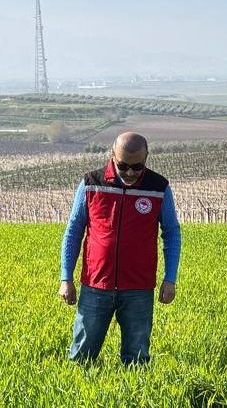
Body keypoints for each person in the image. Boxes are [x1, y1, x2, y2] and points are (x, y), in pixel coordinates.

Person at [60, 132, 181, 365]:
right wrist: (66, 278)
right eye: (123, 166)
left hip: (139, 288)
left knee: (137, 361)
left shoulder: (159, 188)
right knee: (81, 358)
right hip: (96, 286)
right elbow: (73, 231)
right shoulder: (90, 184)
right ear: (111, 155)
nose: (130, 173)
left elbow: (172, 233)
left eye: (137, 167)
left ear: (146, 158)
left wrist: (170, 278)